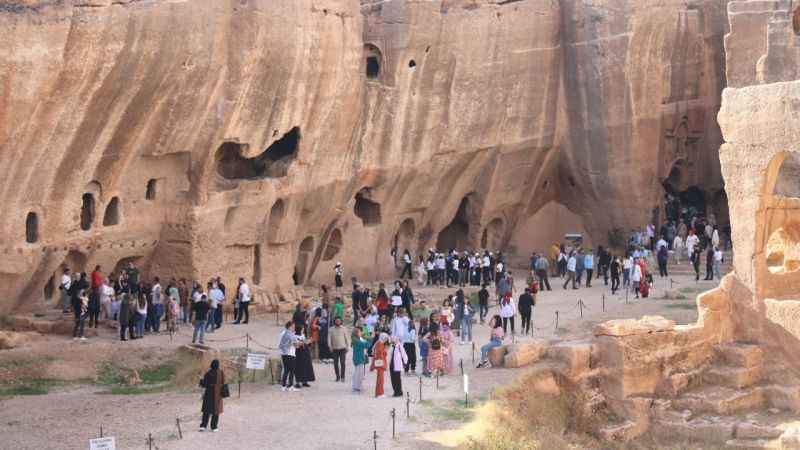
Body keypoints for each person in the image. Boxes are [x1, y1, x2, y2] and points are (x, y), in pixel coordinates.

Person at [199, 359, 225, 432]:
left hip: (209, 393)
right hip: (218, 394)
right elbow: (223, 382)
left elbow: (204, 385)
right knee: (216, 411)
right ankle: (214, 427)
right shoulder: (221, 372)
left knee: (206, 410)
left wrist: (201, 380)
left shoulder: (208, 373)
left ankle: (203, 426)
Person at [278, 321, 298, 391]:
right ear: (289, 327)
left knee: (286, 370)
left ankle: (284, 386)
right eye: (293, 326)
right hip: (290, 354)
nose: (294, 328)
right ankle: (290, 386)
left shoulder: (284, 333)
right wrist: (301, 343)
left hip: (284, 354)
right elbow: (296, 344)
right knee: (291, 370)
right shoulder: (290, 334)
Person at [328, 317, 350, 382]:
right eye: (336, 321)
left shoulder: (344, 329)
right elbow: (329, 339)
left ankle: (343, 377)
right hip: (334, 349)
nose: (338, 322)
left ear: (341, 322)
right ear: (334, 321)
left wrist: (347, 346)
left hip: (343, 348)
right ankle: (337, 376)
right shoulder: (331, 329)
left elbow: (347, 338)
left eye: (339, 321)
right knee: (335, 363)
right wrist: (330, 346)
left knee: (342, 363)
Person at [294, 324, 315, 388]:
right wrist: (304, 342)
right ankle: (297, 382)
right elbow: (297, 345)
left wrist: (309, 341)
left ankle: (305, 381)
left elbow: (306, 343)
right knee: (299, 368)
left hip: (305, 353)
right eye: (302, 329)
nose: (303, 330)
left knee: (306, 367)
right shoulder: (295, 336)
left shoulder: (303, 335)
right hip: (299, 354)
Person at [352, 326, 371, 392]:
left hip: (360, 357)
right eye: (360, 332)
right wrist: (369, 339)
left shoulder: (358, 339)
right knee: (358, 373)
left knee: (360, 372)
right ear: (356, 333)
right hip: (358, 357)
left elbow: (365, 343)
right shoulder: (356, 340)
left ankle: (358, 386)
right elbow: (366, 345)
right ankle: (357, 386)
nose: (361, 333)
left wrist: (366, 338)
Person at [371, 333, 389, 398]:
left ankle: (379, 393)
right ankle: (379, 393)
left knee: (380, 379)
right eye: (385, 338)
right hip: (380, 363)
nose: (386, 340)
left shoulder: (379, 343)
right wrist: (385, 351)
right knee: (380, 379)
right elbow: (380, 354)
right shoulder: (380, 344)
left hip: (379, 363)